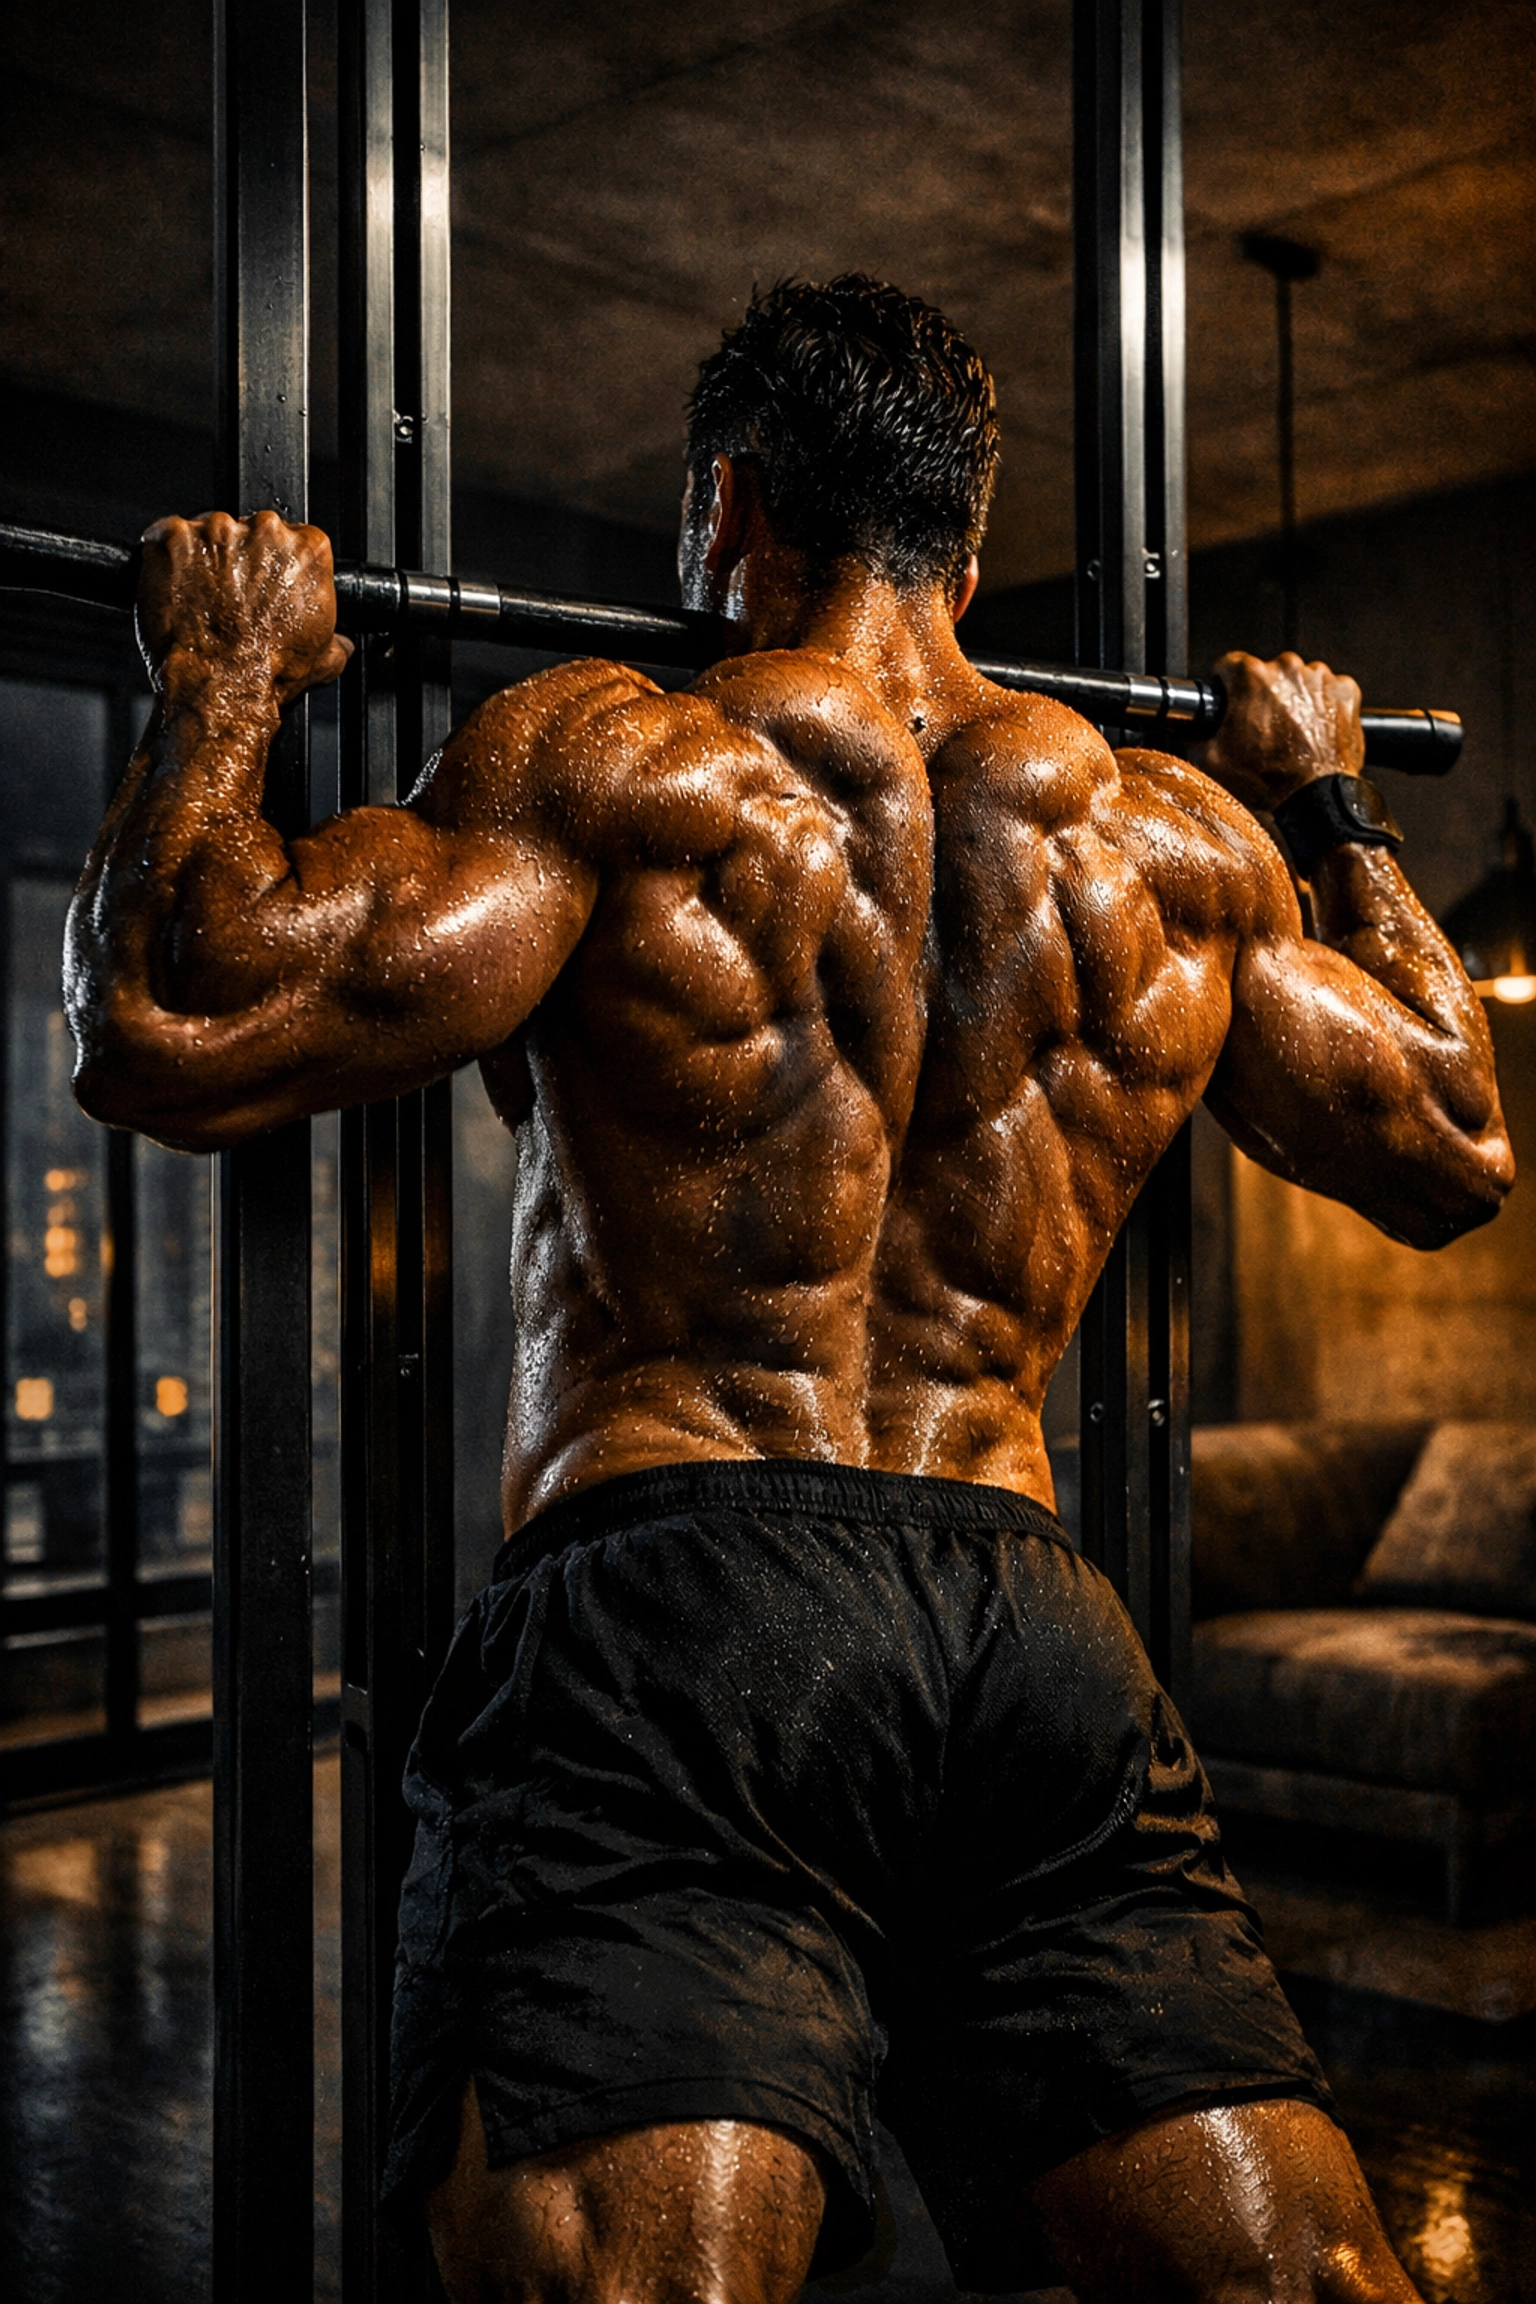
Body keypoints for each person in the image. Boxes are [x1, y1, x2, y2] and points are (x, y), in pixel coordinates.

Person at [62, 276, 1509, 2304]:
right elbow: (1453, 1139)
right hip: (1024, 1623)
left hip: (681, 1598)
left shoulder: (620, 761)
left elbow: (170, 1013)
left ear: (724, 511)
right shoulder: (1168, 841)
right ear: (971, 554)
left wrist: (223, 671)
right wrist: (1334, 802)